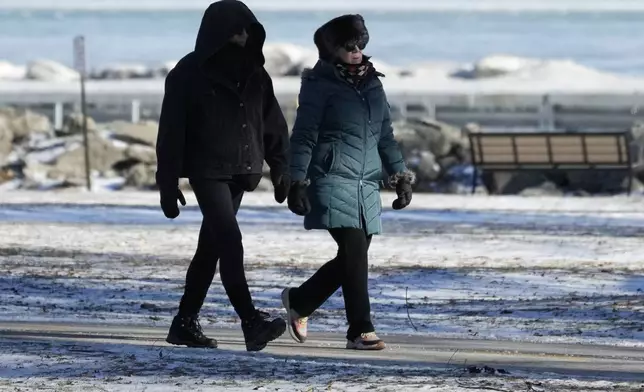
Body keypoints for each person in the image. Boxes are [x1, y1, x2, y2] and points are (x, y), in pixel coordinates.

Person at [155, 0, 289, 352]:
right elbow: (170, 132)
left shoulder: (256, 72)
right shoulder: (187, 73)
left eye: (247, 30)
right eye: (234, 31)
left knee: (210, 248)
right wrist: (167, 185)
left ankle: (184, 322)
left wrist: (281, 167)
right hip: (207, 172)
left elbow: (272, 123)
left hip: (243, 171)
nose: (242, 37)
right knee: (230, 241)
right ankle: (251, 322)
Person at [282, 14, 414, 350]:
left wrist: (399, 176)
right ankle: (360, 329)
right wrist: (297, 180)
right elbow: (304, 135)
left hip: (366, 183)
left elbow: (385, 135)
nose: (356, 52)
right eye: (348, 46)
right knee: (354, 252)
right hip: (329, 178)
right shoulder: (318, 85)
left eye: (360, 44)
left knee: (352, 258)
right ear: (332, 49)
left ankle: (301, 300)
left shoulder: (373, 83)